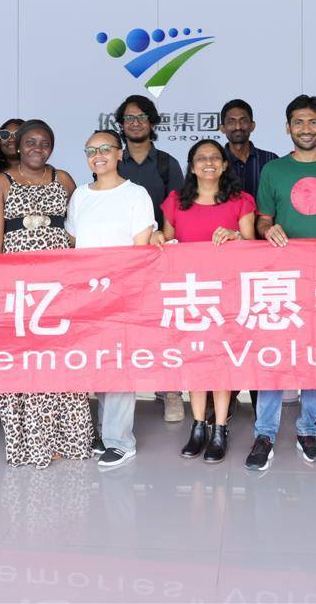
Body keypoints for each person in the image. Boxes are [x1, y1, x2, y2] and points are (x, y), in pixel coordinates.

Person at [246, 94, 316, 472]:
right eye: (298, 122)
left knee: (315, 356)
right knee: (274, 355)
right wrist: (268, 228)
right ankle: (264, 433)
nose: (306, 129)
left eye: (312, 122)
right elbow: (263, 219)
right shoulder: (274, 171)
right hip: (281, 278)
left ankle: (307, 429)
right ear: (287, 127)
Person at [0, 120, 94, 469]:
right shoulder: (1, 183)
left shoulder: (63, 180)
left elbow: (77, 233)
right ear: (18, 146)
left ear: (52, 147)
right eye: (30, 142)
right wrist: (1, 292)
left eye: (44, 142)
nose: (37, 148)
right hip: (18, 288)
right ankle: (32, 441)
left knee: (60, 359)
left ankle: (68, 438)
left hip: (59, 286)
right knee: (26, 361)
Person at [161, 139, 256, 464]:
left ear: (225, 164)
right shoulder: (176, 201)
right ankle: (198, 425)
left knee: (221, 360)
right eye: (201, 158)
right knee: (196, 360)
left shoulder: (241, 201)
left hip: (227, 293)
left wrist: (236, 236)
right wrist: (158, 238)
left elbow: (252, 246)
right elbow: (168, 243)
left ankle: (220, 428)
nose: (208, 163)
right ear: (191, 166)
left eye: (215, 157)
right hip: (190, 293)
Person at [66, 129, 156, 468]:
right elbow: (73, 243)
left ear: (120, 154)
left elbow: (141, 248)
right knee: (98, 363)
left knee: (118, 364)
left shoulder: (136, 194)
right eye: (91, 150)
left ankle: (121, 441)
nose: (98, 155)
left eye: (105, 148)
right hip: (87, 295)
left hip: (122, 293)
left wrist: (120, 287)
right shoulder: (80, 196)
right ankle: (105, 433)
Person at [114, 94, 185, 422]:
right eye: (129, 118)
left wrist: (162, 237)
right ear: (121, 124)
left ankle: (171, 391)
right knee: (124, 327)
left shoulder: (167, 163)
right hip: (122, 260)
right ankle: (118, 395)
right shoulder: (114, 160)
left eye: (142, 117)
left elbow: (178, 210)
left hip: (160, 256)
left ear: (152, 122)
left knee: (166, 325)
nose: (135, 123)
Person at [220, 98, 278, 199]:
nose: (238, 127)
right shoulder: (216, 162)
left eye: (243, 121)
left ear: (252, 126)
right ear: (222, 128)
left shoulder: (270, 160)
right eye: (231, 122)